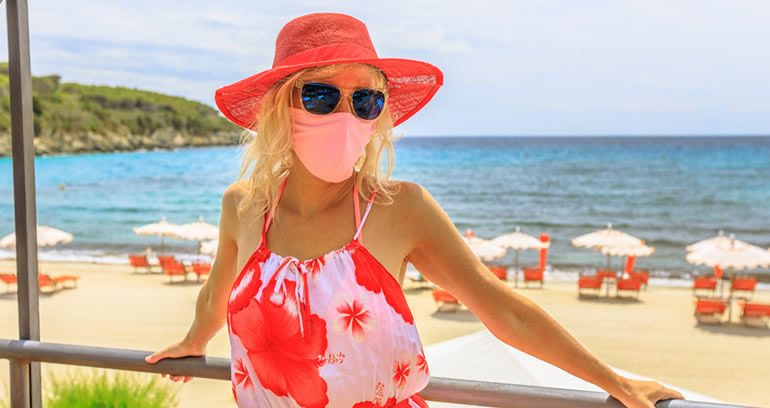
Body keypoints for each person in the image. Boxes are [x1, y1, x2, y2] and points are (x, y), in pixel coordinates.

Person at [144, 12, 685, 408]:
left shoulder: (398, 209)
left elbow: (507, 312)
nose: (345, 114)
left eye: (365, 99)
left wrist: (614, 382)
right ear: (280, 107)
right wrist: (195, 341)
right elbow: (218, 293)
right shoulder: (243, 207)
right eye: (319, 96)